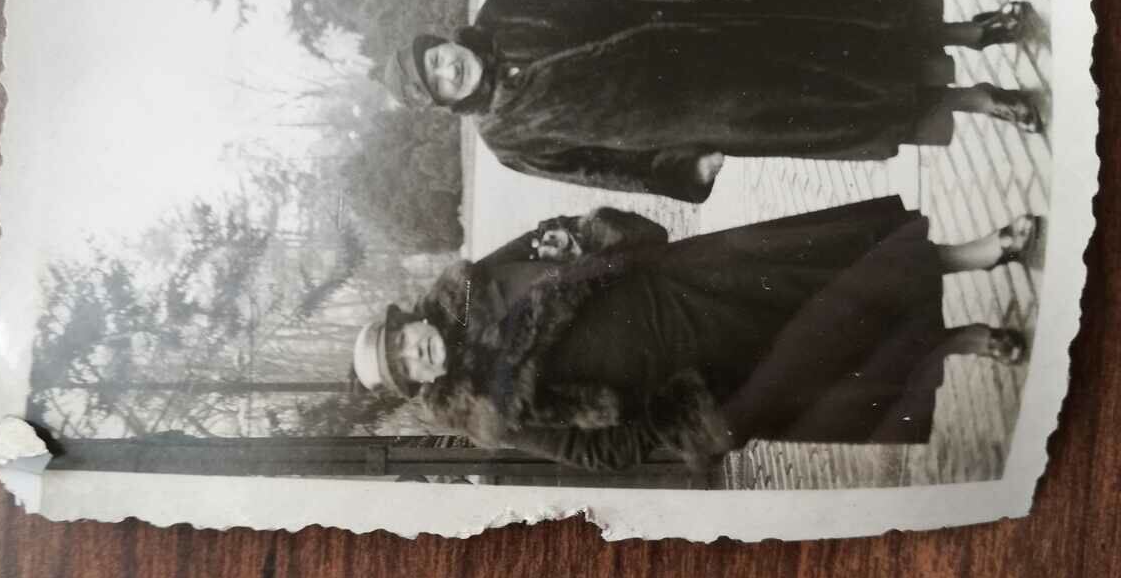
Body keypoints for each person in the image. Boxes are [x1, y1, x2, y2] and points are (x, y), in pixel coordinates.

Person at [353, 200, 1038, 473]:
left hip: (690, 283)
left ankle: (971, 252)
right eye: (409, 366)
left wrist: (592, 234)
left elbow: (560, 237)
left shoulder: (475, 283)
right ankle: (959, 342)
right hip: (700, 366)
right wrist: (678, 417)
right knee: (836, 353)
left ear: (412, 317)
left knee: (829, 266)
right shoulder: (494, 414)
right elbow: (598, 454)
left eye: (405, 339)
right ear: (421, 383)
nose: (418, 352)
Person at [382, 0, 1041, 203]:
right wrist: (683, 169)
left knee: (838, 28)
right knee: (843, 106)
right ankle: (976, 102)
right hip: (711, 111)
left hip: (702, 23)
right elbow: (601, 171)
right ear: (444, 104)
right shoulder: (506, 140)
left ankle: (967, 33)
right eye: (439, 84)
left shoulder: (504, 8)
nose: (448, 71)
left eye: (436, 59)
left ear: (441, 42)